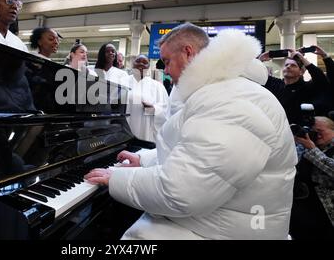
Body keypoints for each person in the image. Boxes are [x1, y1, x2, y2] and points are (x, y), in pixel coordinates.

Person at [85, 24, 297, 240]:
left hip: (220, 231)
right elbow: (193, 151)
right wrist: (145, 160)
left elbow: (181, 193)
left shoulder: (230, 101)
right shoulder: (222, 89)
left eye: (167, 61)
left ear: (187, 52)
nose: (165, 70)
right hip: (217, 222)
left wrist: (117, 179)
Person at [259, 50, 331, 125]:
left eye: (293, 65)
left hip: (297, 129)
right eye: (286, 65)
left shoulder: (307, 87)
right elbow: (255, 74)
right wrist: (261, 59)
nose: (288, 67)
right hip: (273, 125)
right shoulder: (276, 83)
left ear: (301, 72)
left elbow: (320, 78)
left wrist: (301, 58)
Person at [290, 116, 334, 239]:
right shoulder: (307, 147)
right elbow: (289, 165)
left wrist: (312, 149)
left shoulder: (312, 149)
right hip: (303, 212)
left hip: (326, 214)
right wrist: (294, 143)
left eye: (320, 131)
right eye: (313, 132)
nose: (316, 135)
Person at [121, 55, 168, 142]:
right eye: (138, 61)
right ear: (133, 64)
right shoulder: (121, 82)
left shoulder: (157, 86)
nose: (141, 64)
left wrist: (153, 109)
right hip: (124, 128)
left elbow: (166, 110)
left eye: (145, 63)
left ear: (149, 67)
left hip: (146, 130)